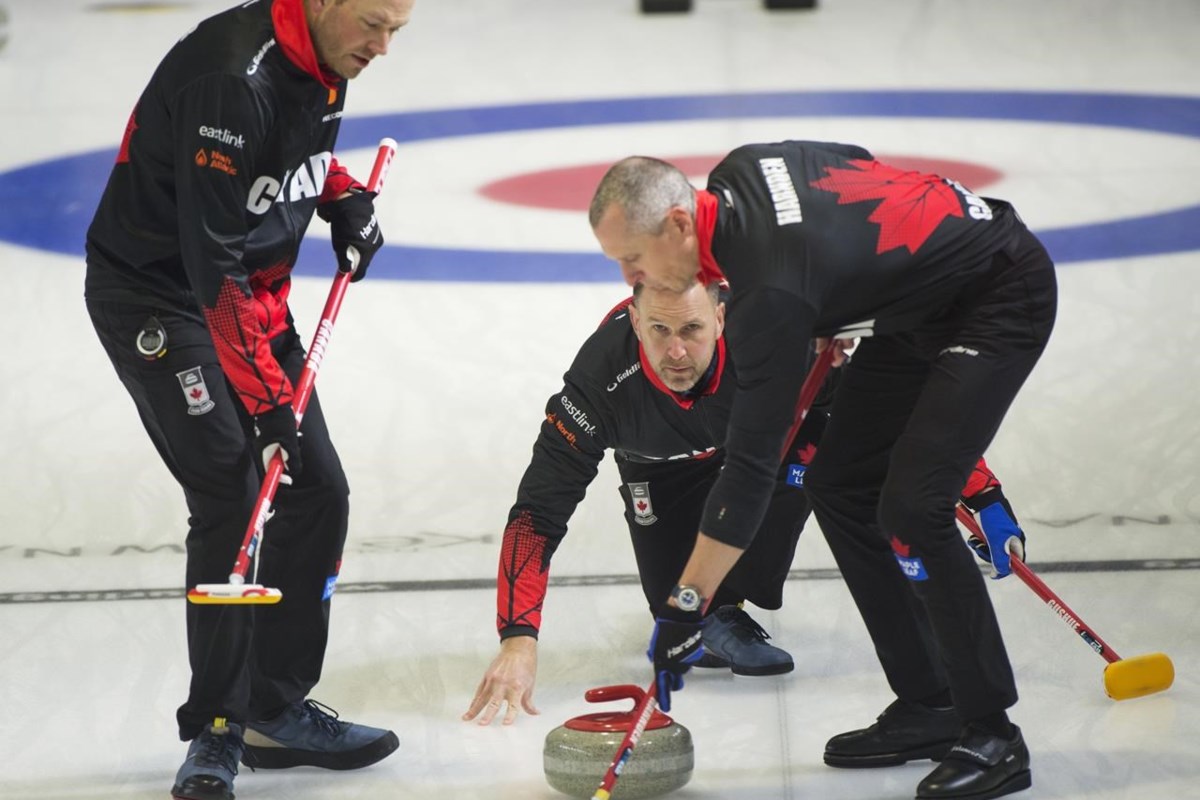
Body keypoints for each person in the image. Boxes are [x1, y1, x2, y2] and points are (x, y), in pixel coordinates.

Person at [589, 142, 1054, 800]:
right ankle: (930, 704)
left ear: (676, 224)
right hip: (918, 304)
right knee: (841, 484)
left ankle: (993, 734)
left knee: (914, 512)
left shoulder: (770, 298)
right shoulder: (741, 171)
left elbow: (751, 469)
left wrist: (687, 605)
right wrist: (841, 284)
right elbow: (853, 162)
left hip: (998, 294)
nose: (629, 276)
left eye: (633, 258)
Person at [83, 1, 415, 798]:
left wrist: (341, 195)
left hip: (249, 295)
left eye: (396, 31)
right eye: (373, 23)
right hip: (163, 299)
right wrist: (268, 405)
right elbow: (210, 262)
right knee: (237, 489)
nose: (382, 48)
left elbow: (291, 151)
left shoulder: (328, 56)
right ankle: (216, 728)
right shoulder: (232, 78)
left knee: (318, 492)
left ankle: (273, 705)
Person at [462, 280, 1026, 727]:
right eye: (658, 330)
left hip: (768, 449)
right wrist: (518, 640)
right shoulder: (597, 388)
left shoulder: (776, 343)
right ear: (634, 321)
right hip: (658, 468)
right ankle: (714, 611)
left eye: (692, 329)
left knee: (839, 468)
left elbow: (896, 409)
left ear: (722, 318)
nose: (676, 352)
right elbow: (536, 517)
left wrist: (980, 490)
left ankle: (924, 661)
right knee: (679, 608)